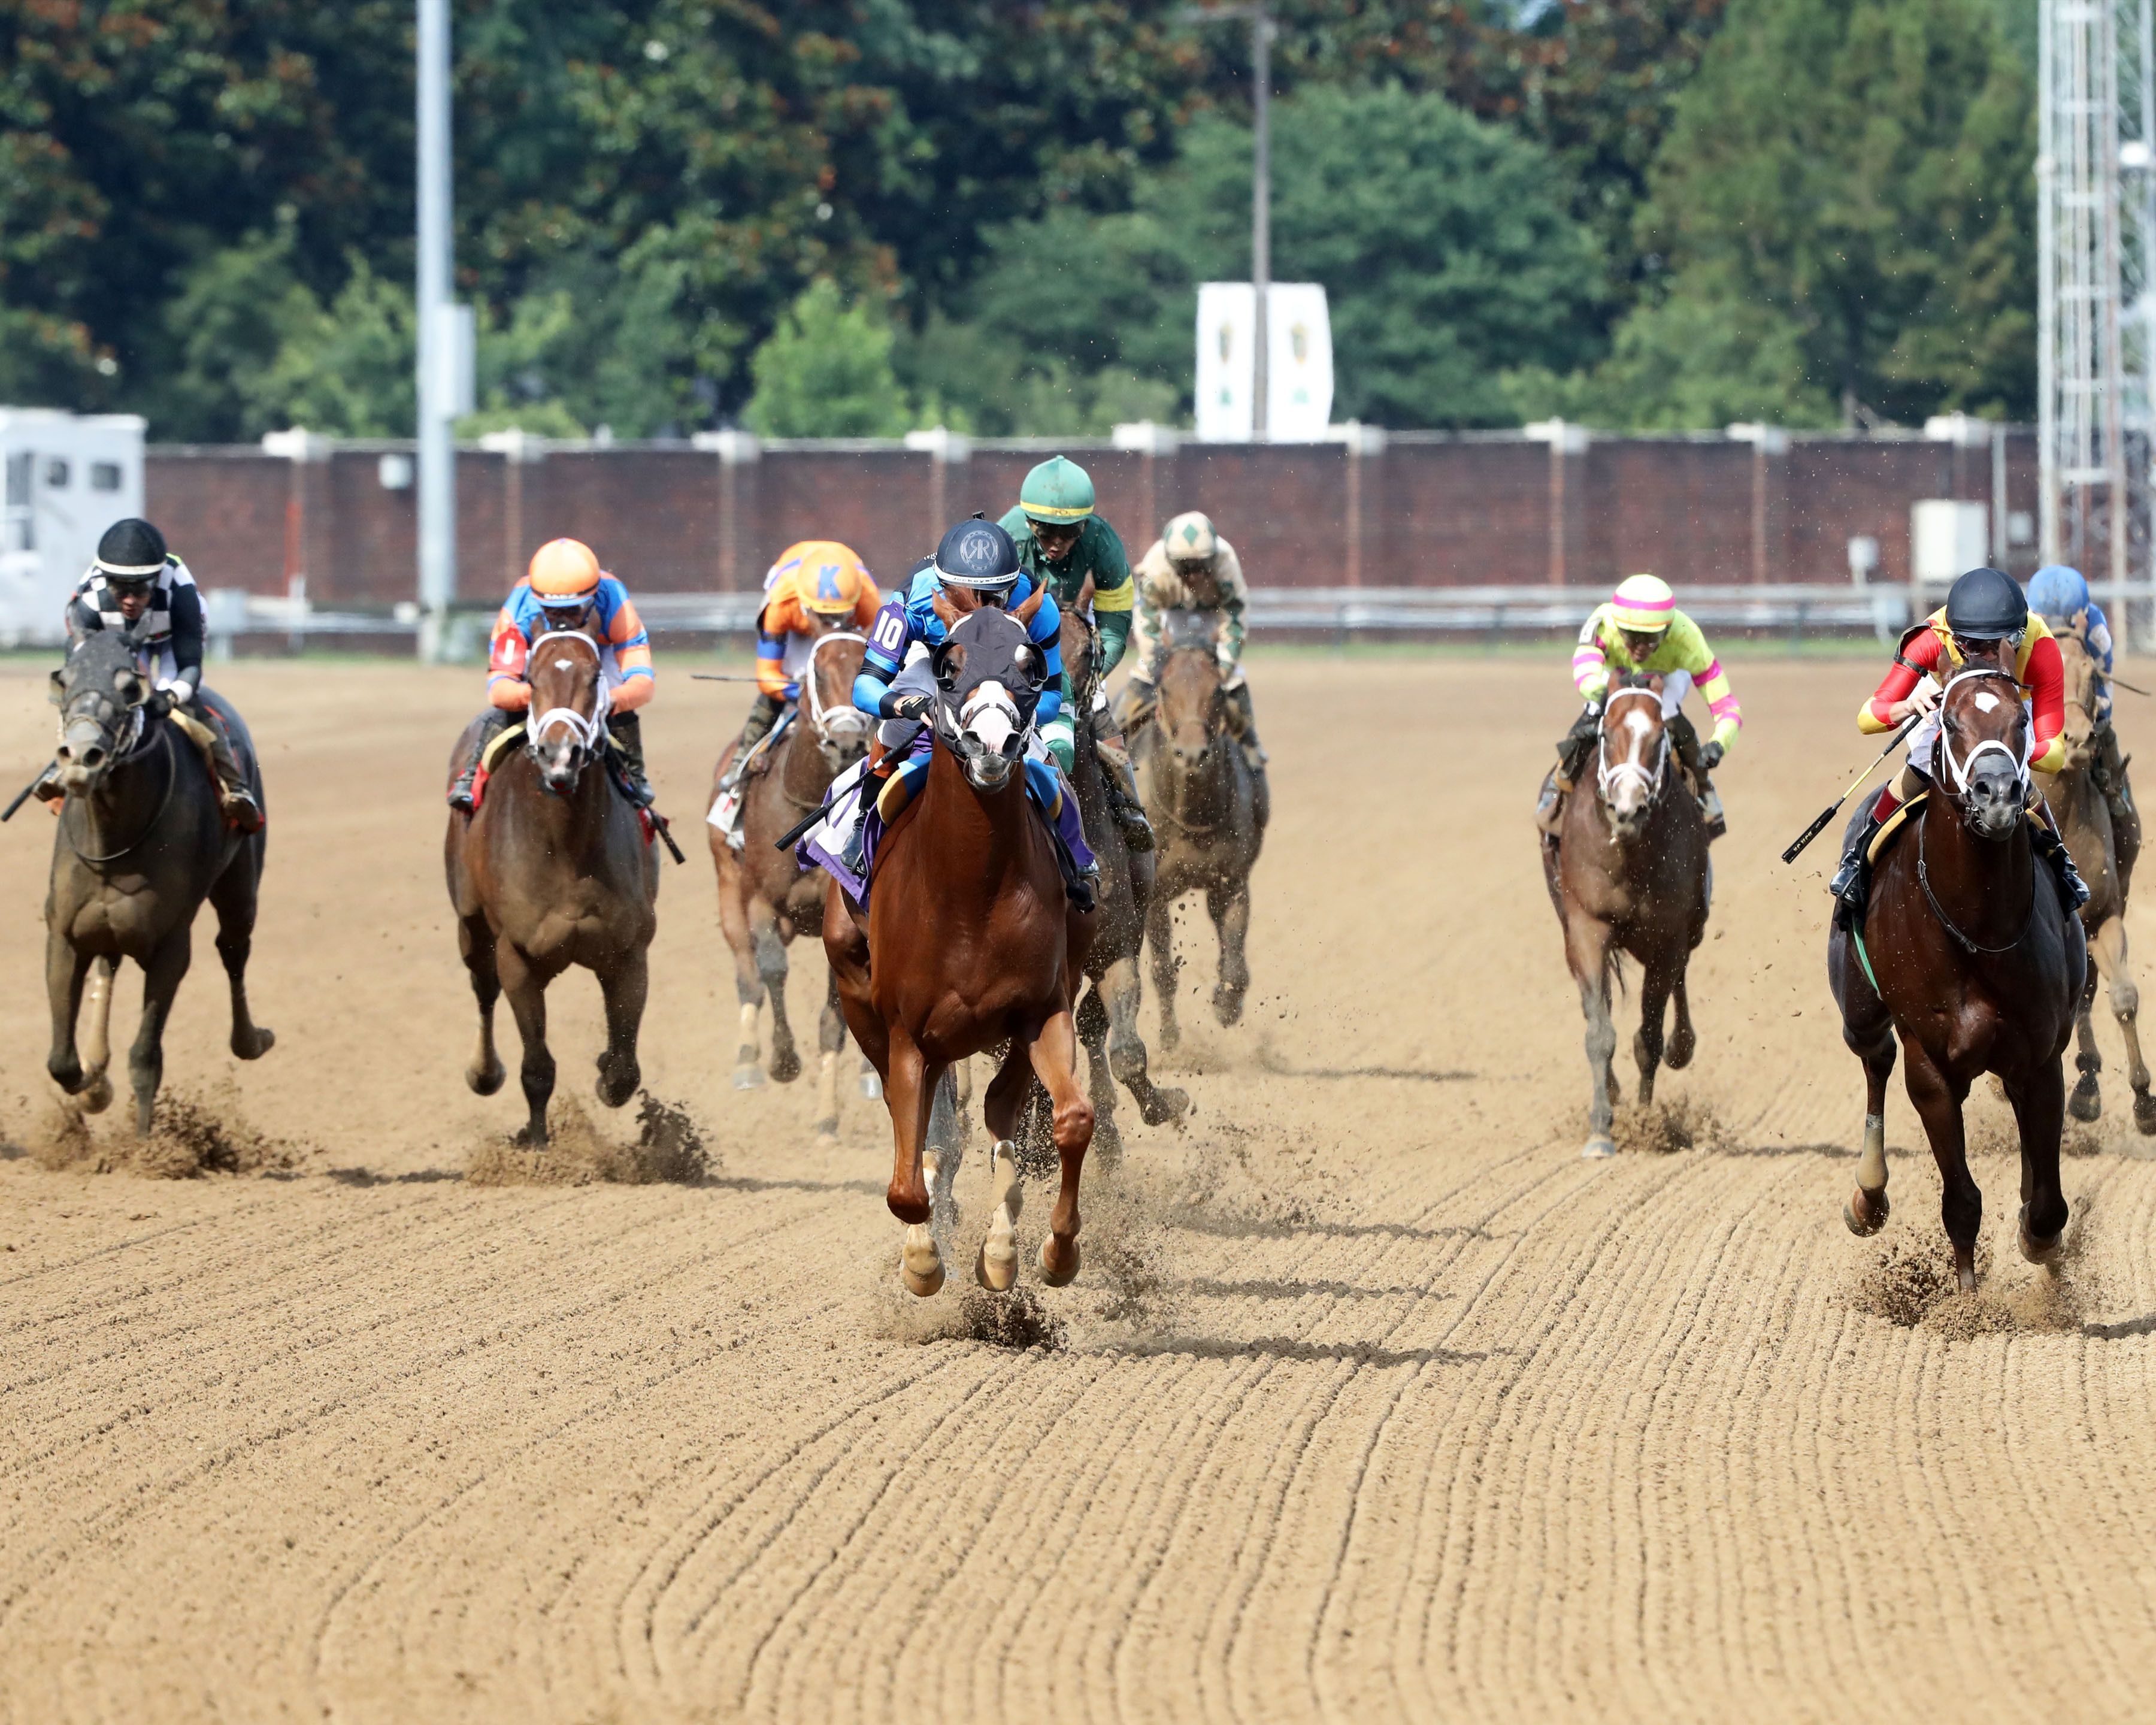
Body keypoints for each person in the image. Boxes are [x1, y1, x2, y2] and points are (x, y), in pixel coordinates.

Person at [1827, 564, 2087, 910]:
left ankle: (2062, 863)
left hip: (2005, 710)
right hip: (1946, 698)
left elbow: (2054, 752)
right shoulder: (1932, 637)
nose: (1983, 656)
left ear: (2018, 637)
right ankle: (1858, 858)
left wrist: (2008, 752)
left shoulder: (2042, 648)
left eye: (1997, 646)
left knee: (2017, 780)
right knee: (1921, 764)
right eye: (1969, 646)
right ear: (1953, 636)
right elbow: (1868, 716)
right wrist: (1908, 705)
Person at [841, 516, 1071, 876]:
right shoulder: (911, 599)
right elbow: (866, 686)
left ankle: (1077, 858)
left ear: (1013, 588)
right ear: (942, 587)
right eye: (966, 599)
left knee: (1049, 759)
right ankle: (862, 821)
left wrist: (1021, 716)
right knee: (895, 726)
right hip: (942, 664)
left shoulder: (1039, 608)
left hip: (1007, 676)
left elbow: (1054, 695)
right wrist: (905, 706)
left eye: (995, 599)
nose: (981, 609)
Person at [38, 517, 263, 832]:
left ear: (156, 581)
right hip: (116, 643)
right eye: (120, 590)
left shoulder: (181, 592)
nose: (130, 600)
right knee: (91, 705)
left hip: (171, 639)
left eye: (141, 590)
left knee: (186, 707)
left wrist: (170, 696)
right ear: (106, 581)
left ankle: (234, 786)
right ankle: (63, 766)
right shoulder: (88, 603)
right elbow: (79, 679)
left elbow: (190, 666)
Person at [998, 455, 1152, 851]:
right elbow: (986, 617)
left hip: (1076, 646)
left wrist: (1091, 677)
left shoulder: (1104, 543)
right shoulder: (1007, 538)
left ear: (1085, 526)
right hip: (1020, 642)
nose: (1056, 544)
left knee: (1103, 721)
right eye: (1047, 531)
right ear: (1030, 523)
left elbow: (1116, 625)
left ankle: (1130, 809)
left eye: (1069, 533)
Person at [447, 537, 656, 809]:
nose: (562, 619)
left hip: (594, 654)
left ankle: (635, 774)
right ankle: (472, 775)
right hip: (541, 653)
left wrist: (611, 699)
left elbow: (642, 681)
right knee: (507, 709)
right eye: (551, 610)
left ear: (594, 596)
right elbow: (499, 688)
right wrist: (535, 695)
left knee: (611, 696)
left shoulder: (614, 599)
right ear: (537, 600)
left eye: (573, 610)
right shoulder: (520, 607)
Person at [1536, 573, 1740, 841]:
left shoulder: (1688, 639)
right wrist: (1597, 696)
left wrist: (1719, 743)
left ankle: (1704, 791)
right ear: (1618, 628)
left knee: (1667, 714)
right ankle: (1558, 791)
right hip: (1614, 672)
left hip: (1664, 676)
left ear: (1667, 631)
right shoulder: (1603, 622)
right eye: (1630, 637)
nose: (1639, 648)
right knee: (1592, 714)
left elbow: (1726, 705)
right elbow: (1586, 667)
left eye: (1650, 639)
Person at [710, 540, 878, 841]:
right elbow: (768, 676)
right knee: (789, 688)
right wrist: (805, 693)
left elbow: (881, 667)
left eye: (838, 616)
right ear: (806, 606)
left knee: (857, 688)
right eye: (824, 616)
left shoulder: (868, 600)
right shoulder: (782, 605)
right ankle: (740, 768)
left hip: (851, 637)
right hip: (798, 633)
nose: (831, 623)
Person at [1116, 510, 1265, 799]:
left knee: (1235, 683)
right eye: (1186, 568)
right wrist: (1158, 665)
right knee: (1138, 683)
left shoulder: (1227, 565)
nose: (1195, 575)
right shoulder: (1155, 571)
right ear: (1173, 564)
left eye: (1201, 567)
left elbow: (1235, 621)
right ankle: (1114, 739)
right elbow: (1146, 623)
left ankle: (1250, 744)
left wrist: (1222, 667)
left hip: (1211, 623)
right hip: (1168, 623)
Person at [2025, 562, 2139, 883]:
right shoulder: (2020, 631)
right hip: (2036, 706)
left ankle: (2114, 792)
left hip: (2082, 707)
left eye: (2069, 622)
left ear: (2082, 616)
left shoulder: (2097, 632)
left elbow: (2105, 690)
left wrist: (2096, 721)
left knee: (2106, 733)